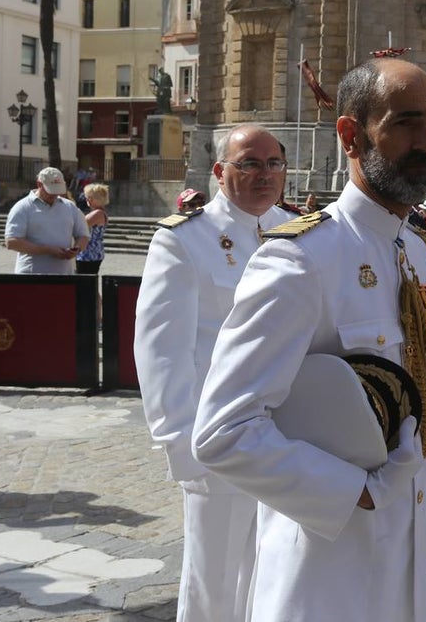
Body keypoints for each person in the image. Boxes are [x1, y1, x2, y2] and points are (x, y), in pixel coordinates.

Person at [191, 60, 426, 621]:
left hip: (407, 560)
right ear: (351, 135)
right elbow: (222, 432)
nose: (425, 141)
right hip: (328, 570)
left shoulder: (420, 252)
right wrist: (355, 491)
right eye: (406, 122)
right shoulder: (301, 258)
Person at [134, 124, 294, 622]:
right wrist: (182, 444)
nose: (265, 174)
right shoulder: (187, 240)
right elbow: (161, 351)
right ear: (221, 172)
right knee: (216, 583)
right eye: (250, 164)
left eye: (274, 163)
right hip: (219, 438)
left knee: (279, 574)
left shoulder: (301, 231)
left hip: (292, 437)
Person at [4, 167, 89, 274]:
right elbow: (12, 242)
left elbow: (83, 236)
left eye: (58, 190)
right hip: (31, 274)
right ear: (39, 184)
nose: (55, 194)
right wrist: (48, 250)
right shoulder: (22, 207)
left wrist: (76, 249)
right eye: (51, 190)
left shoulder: (70, 207)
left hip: (64, 275)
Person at [74, 183, 110, 275]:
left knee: (84, 279)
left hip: (89, 254)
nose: (87, 199)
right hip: (93, 252)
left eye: (89, 197)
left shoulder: (97, 213)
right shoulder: (100, 212)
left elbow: (79, 225)